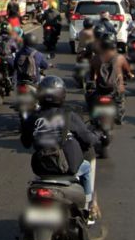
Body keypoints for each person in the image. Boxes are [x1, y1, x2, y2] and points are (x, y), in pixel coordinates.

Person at [24, 76, 103, 221]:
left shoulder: (33, 117)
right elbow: (88, 139)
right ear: (62, 95)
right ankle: (87, 209)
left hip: (41, 170)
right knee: (87, 168)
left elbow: (25, 142)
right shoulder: (69, 116)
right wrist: (98, 134)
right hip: (67, 169)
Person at [89, 38, 133, 111]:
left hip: (100, 89)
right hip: (116, 89)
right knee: (120, 102)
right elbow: (127, 71)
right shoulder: (120, 57)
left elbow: (92, 75)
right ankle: (118, 117)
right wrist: (130, 75)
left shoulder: (95, 58)